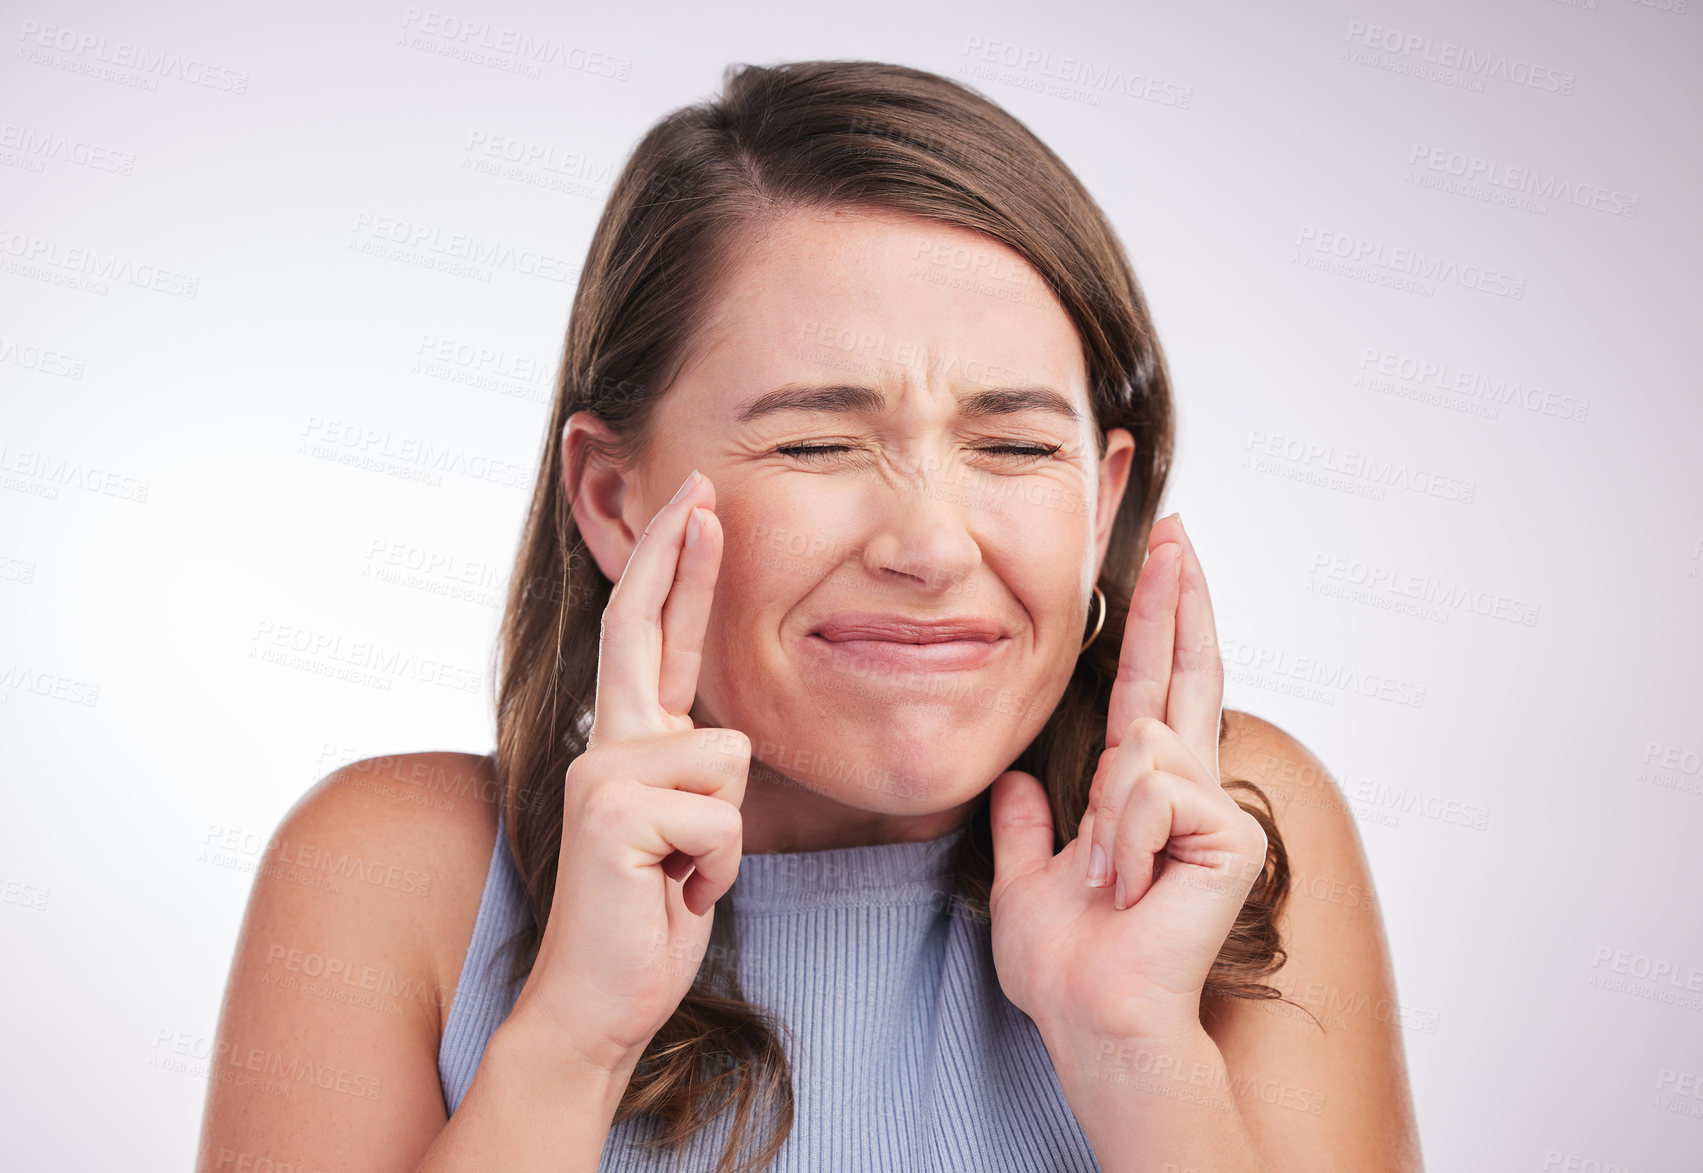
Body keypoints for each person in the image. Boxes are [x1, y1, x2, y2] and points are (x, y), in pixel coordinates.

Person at [198, 59, 1421, 1172]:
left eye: (1010, 444)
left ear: (1100, 501)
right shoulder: (398, 873)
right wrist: (571, 1038)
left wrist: (1136, 1058)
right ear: (614, 501)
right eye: (817, 440)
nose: (933, 547)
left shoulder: (1231, 840)